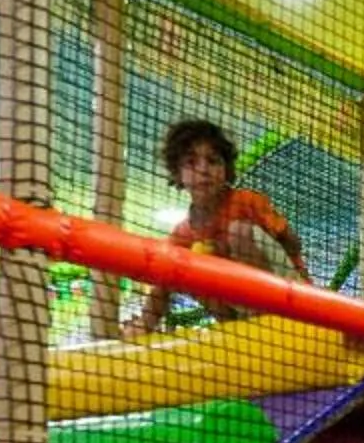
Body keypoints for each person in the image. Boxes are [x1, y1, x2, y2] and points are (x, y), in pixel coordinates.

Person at [123, 118, 308, 337]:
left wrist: (241, 247)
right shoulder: (182, 234)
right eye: (191, 162)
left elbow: (294, 244)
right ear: (178, 174)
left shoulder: (245, 202)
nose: (204, 170)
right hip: (241, 306)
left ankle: (262, 317)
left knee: (238, 232)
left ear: (226, 169)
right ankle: (233, 327)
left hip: (288, 291)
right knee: (182, 264)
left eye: (213, 161)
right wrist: (143, 324)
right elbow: (162, 287)